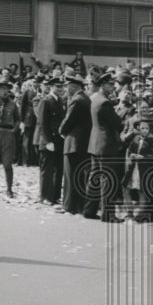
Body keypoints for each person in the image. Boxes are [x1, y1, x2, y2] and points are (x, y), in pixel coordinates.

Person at [81, 71, 123, 223]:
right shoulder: (105, 102)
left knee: (94, 178)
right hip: (107, 144)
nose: (113, 87)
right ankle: (108, 214)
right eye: (111, 84)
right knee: (108, 180)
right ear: (103, 85)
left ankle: (89, 210)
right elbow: (117, 123)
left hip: (95, 143)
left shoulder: (94, 98)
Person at [58, 71, 91, 216]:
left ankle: (68, 205)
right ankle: (77, 205)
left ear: (72, 86)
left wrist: (61, 130)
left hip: (73, 142)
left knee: (70, 175)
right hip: (83, 142)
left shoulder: (76, 100)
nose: (66, 89)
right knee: (78, 176)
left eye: (67, 86)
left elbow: (68, 120)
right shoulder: (86, 98)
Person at [34, 75, 65, 205]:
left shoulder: (60, 101)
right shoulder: (45, 101)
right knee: (47, 170)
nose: (60, 89)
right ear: (51, 87)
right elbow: (42, 123)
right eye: (57, 86)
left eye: (62, 86)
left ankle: (54, 196)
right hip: (49, 141)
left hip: (59, 140)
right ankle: (45, 196)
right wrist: (47, 141)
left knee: (58, 169)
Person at [122, 118, 153, 222]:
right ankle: (129, 213)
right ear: (138, 128)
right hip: (132, 168)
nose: (145, 130)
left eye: (147, 128)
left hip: (143, 169)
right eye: (142, 128)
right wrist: (130, 155)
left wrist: (143, 157)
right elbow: (129, 148)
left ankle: (139, 215)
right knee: (125, 189)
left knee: (141, 191)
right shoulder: (135, 138)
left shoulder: (152, 140)